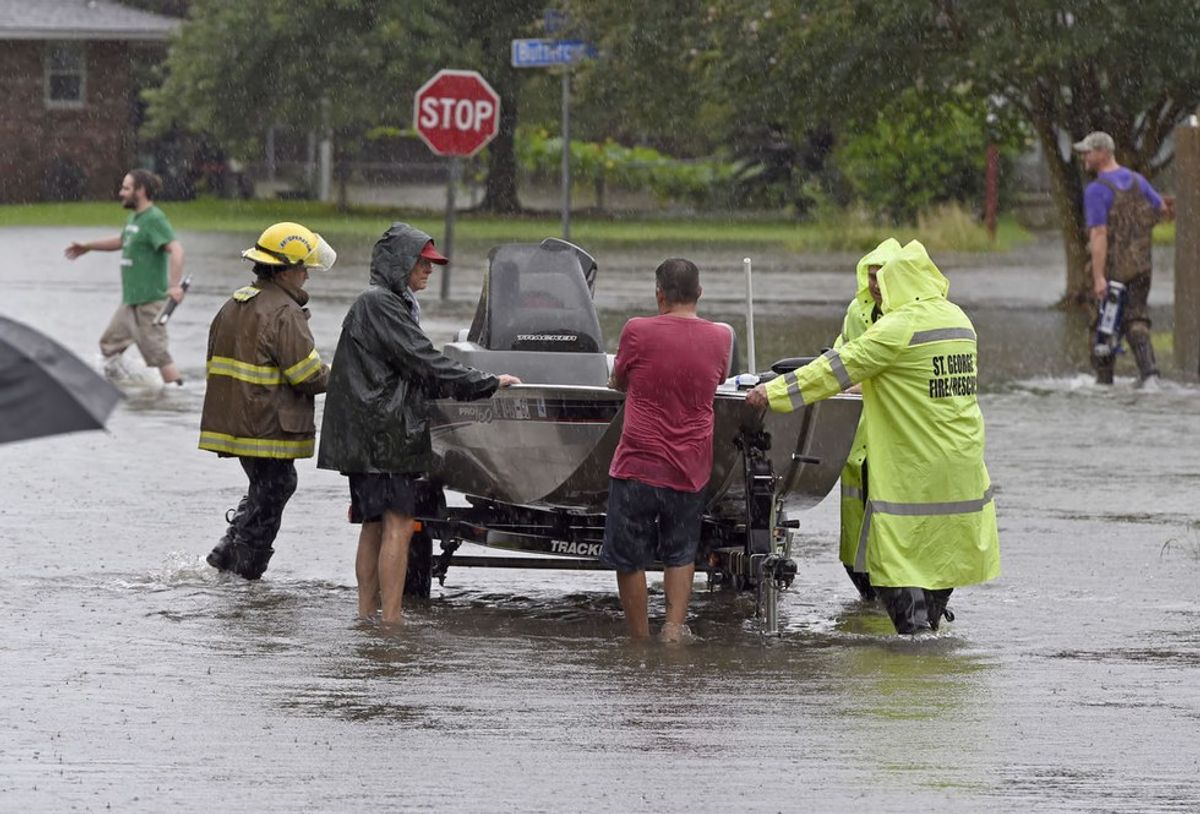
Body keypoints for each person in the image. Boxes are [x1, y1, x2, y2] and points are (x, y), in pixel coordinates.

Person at [747, 240, 1000, 635]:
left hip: (914, 467)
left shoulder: (899, 328)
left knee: (889, 567)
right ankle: (930, 651)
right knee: (939, 562)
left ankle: (914, 652)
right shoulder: (958, 320)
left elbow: (836, 367)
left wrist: (773, 393)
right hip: (962, 466)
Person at [317, 223, 520, 625]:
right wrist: (487, 383)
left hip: (369, 434)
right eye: (422, 263)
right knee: (395, 525)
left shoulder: (380, 303)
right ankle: (391, 622)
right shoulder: (382, 305)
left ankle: (366, 617)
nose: (429, 270)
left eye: (431, 264)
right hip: (386, 434)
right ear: (400, 265)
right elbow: (424, 360)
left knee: (373, 525)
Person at [599, 258, 734, 642]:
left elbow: (620, 379)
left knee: (629, 558)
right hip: (689, 469)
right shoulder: (721, 337)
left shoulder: (637, 331)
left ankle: (639, 639)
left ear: (659, 295)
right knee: (680, 552)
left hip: (637, 465)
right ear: (700, 294)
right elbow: (718, 377)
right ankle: (673, 631)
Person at [199, 222, 336, 580]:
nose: (306, 275)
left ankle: (224, 559)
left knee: (266, 487)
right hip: (267, 423)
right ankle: (245, 572)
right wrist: (347, 374)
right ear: (285, 269)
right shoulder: (284, 312)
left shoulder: (236, 303)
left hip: (241, 422)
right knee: (276, 487)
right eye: (303, 267)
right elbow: (308, 376)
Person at [64, 169, 186, 385]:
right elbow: (121, 241)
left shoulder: (154, 219)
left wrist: (175, 286)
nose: (121, 192)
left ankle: (176, 400)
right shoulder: (135, 218)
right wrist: (88, 247)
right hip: (130, 301)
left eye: (126, 188)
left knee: (157, 355)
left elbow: (176, 250)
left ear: (140, 191)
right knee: (109, 347)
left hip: (150, 301)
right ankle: (127, 388)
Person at [1074, 131, 1173, 386]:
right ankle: (1150, 375)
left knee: (1101, 328)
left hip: (1111, 272)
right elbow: (1162, 209)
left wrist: (1098, 277)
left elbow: (1098, 235)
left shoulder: (1097, 190)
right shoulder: (1139, 181)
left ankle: (1104, 385)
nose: (1084, 156)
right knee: (1136, 318)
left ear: (1103, 153)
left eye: (1088, 151)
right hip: (1142, 268)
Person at [833, 237, 902, 600]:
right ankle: (866, 598)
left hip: (893, 440)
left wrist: (862, 385)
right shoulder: (856, 313)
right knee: (854, 525)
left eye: (882, 276)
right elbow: (838, 360)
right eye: (871, 276)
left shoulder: (909, 317)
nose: (875, 284)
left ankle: (887, 599)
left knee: (890, 533)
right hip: (858, 439)